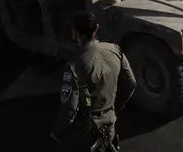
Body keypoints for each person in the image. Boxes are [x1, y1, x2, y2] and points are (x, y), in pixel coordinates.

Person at [52, 12, 137, 151]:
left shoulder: (73, 66)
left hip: (88, 130)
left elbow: (70, 109)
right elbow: (131, 83)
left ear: (75, 33)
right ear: (96, 28)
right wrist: (113, 107)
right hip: (110, 123)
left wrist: (56, 131)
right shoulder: (115, 49)